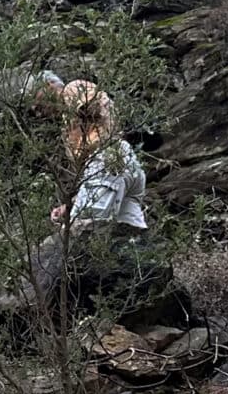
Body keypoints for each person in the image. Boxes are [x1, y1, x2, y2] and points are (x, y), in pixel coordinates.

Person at [29, 76, 150, 312]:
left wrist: (81, 109)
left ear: (49, 87)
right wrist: (72, 204)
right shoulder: (67, 121)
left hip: (106, 157)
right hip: (120, 163)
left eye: (38, 100)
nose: (38, 110)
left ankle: (71, 302)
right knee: (130, 233)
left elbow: (90, 107)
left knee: (81, 230)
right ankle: (142, 288)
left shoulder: (73, 89)